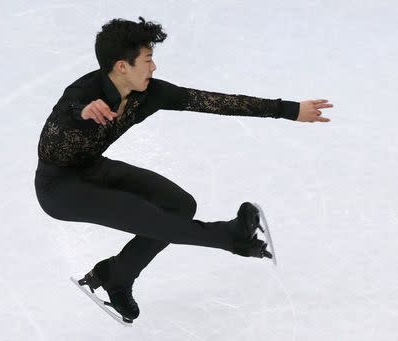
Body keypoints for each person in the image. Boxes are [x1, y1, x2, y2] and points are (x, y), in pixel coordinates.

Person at [34, 16, 333, 322]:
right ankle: (235, 237)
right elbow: (50, 143)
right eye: (148, 60)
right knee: (153, 219)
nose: (153, 68)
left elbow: (213, 102)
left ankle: (116, 276)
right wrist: (81, 112)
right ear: (122, 66)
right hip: (59, 189)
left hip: (93, 169)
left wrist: (288, 110)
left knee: (179, 205)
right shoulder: (82, 94)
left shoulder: (149, 94)